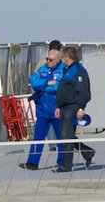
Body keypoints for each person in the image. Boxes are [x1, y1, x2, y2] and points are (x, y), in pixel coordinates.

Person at [54, 46, 97, 172]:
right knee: (66, 135)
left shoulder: (78, 71)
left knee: (66, 136)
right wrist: (58, 106)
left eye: (63, 56)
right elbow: (62, 90)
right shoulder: (66, 70)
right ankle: (87, 152)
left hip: (73, 106)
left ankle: (66, 165)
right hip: (64, 106)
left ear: (68, 57)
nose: (62, 59)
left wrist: (80, 108)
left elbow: (83, 92)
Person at [24, 41, 67, 169]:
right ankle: (32, 162)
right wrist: (47, 83)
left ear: (58, 60)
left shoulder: (63, 69)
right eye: (47, 59)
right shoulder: (43, 68)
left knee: (61, 137)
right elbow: (33, 81)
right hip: (43, 107)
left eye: (51, 60)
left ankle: (62, 161)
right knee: (38, 136)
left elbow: (59, 86)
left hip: (56, 106)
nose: (48, 61)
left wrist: (47, 86)